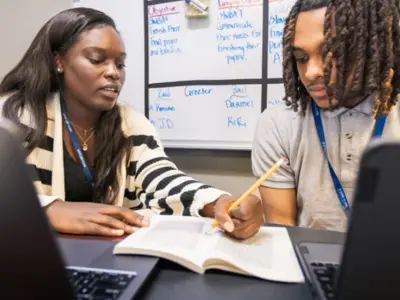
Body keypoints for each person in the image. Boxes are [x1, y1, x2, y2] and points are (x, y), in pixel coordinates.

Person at [0, 7, 264, 239]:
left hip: (109, 258)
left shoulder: (131, 124)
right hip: (34, 264)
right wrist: (49, 209)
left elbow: (161, 180)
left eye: (120, 63)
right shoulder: (15, 116)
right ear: (59, 62)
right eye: (97, 59)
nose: (113, 72)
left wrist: (218, 202)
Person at [252, 0, 400, 231]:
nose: (311, 73)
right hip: (306, 262)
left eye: (331, 54)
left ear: (373, 49)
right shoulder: (277, 124)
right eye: (301, 58)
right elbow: (282, 232)